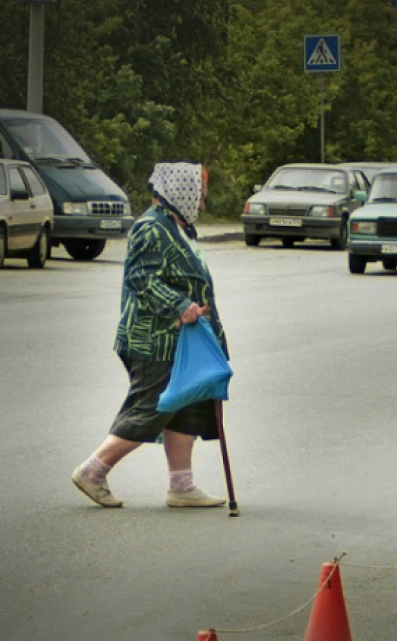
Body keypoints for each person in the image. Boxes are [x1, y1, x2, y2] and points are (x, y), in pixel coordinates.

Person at [71, 162, 229, 508]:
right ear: (181, 193)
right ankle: (93, 470)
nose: (202, 204)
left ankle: (182, 486)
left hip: (182, 340)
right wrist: (179, 306)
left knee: (186, 405)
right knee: (153, 408)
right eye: (199, 195)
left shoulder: (175, 227)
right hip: (152, 339)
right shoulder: (151, 228)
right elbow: (141, 278)